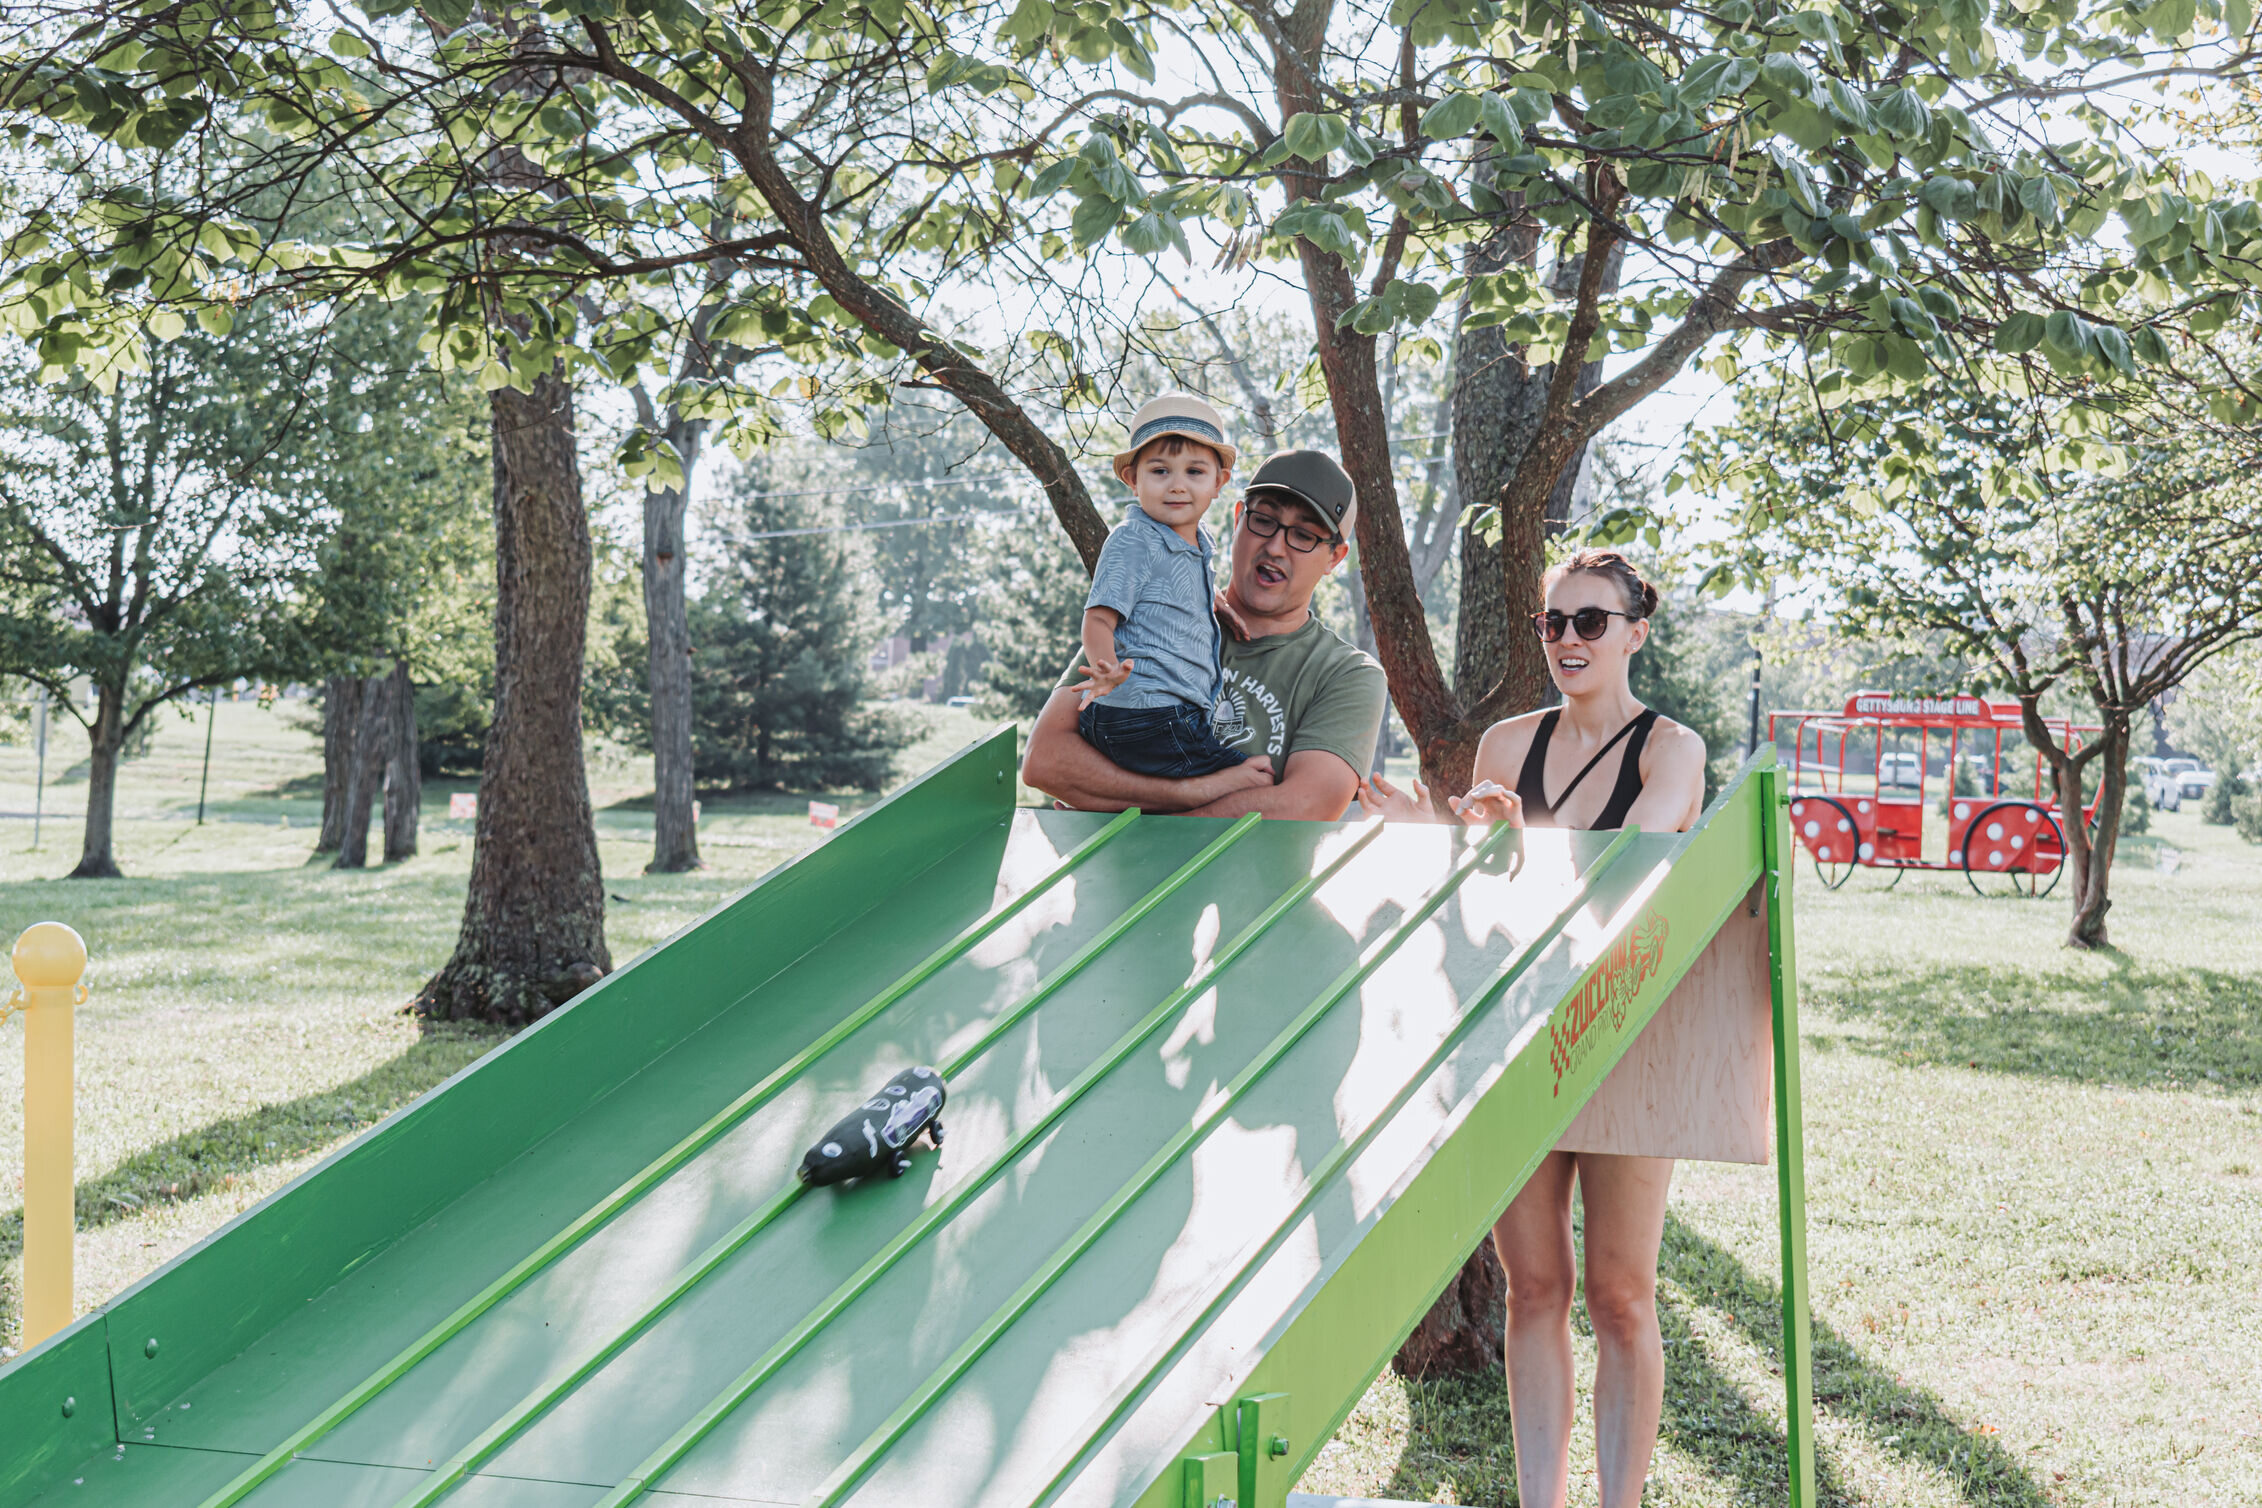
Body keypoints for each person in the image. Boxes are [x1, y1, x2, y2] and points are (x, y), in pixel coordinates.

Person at [1358, 549, 1706, 1508]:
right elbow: (1483, 904)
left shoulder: (1672, 749)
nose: (1567, 640)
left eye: (1590, 621)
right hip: (1520, 1033)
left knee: (1621, 1295)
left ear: (1636, 633)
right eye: (1554, 622)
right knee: (1536, 1288)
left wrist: (1520, 838)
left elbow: (1628, 865)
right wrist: (1442, 836)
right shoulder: (1507, 747)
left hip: (1631, 1031)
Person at [1022, 449, 1387, 820]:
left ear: (1334, 558)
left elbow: (1305, 805)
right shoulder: (1148, 611)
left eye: (1304, 535)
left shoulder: (1346, 674)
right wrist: (1190, 793)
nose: (1276, 547)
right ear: (1238, 519)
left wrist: (1127, 811)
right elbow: (1044, 760)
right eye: (1264, 520)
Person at [1075, 393, 1248, 778]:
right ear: (1132, 480)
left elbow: (1169, 595)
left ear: (1219, 482)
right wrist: (1106, 667)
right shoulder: (1134, 538)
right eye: (1160, 471)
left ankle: (1106, 802)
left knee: (1205, 780)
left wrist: (1215, 603)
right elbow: (1098, 618)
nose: (1177, 486)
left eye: (1194, 472)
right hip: (1148, 710)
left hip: (1165, 714)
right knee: (1249, 778)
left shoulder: (1197, 544)